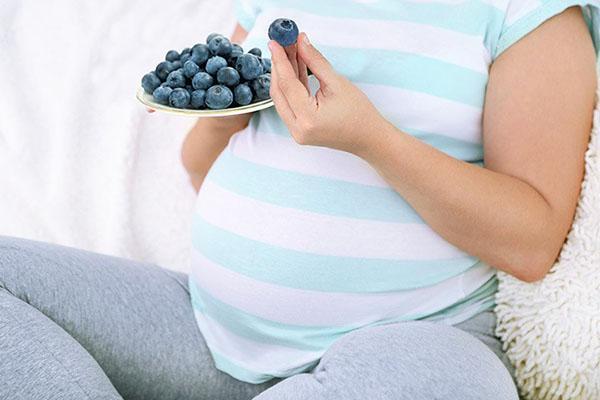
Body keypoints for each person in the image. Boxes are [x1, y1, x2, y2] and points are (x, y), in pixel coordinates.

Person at [1, 1, 598, 399]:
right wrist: (221, 109)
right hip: (209, 332)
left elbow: (533, 239)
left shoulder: (528, 14)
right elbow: (198, 164)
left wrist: (373, 140)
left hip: (411, 342)